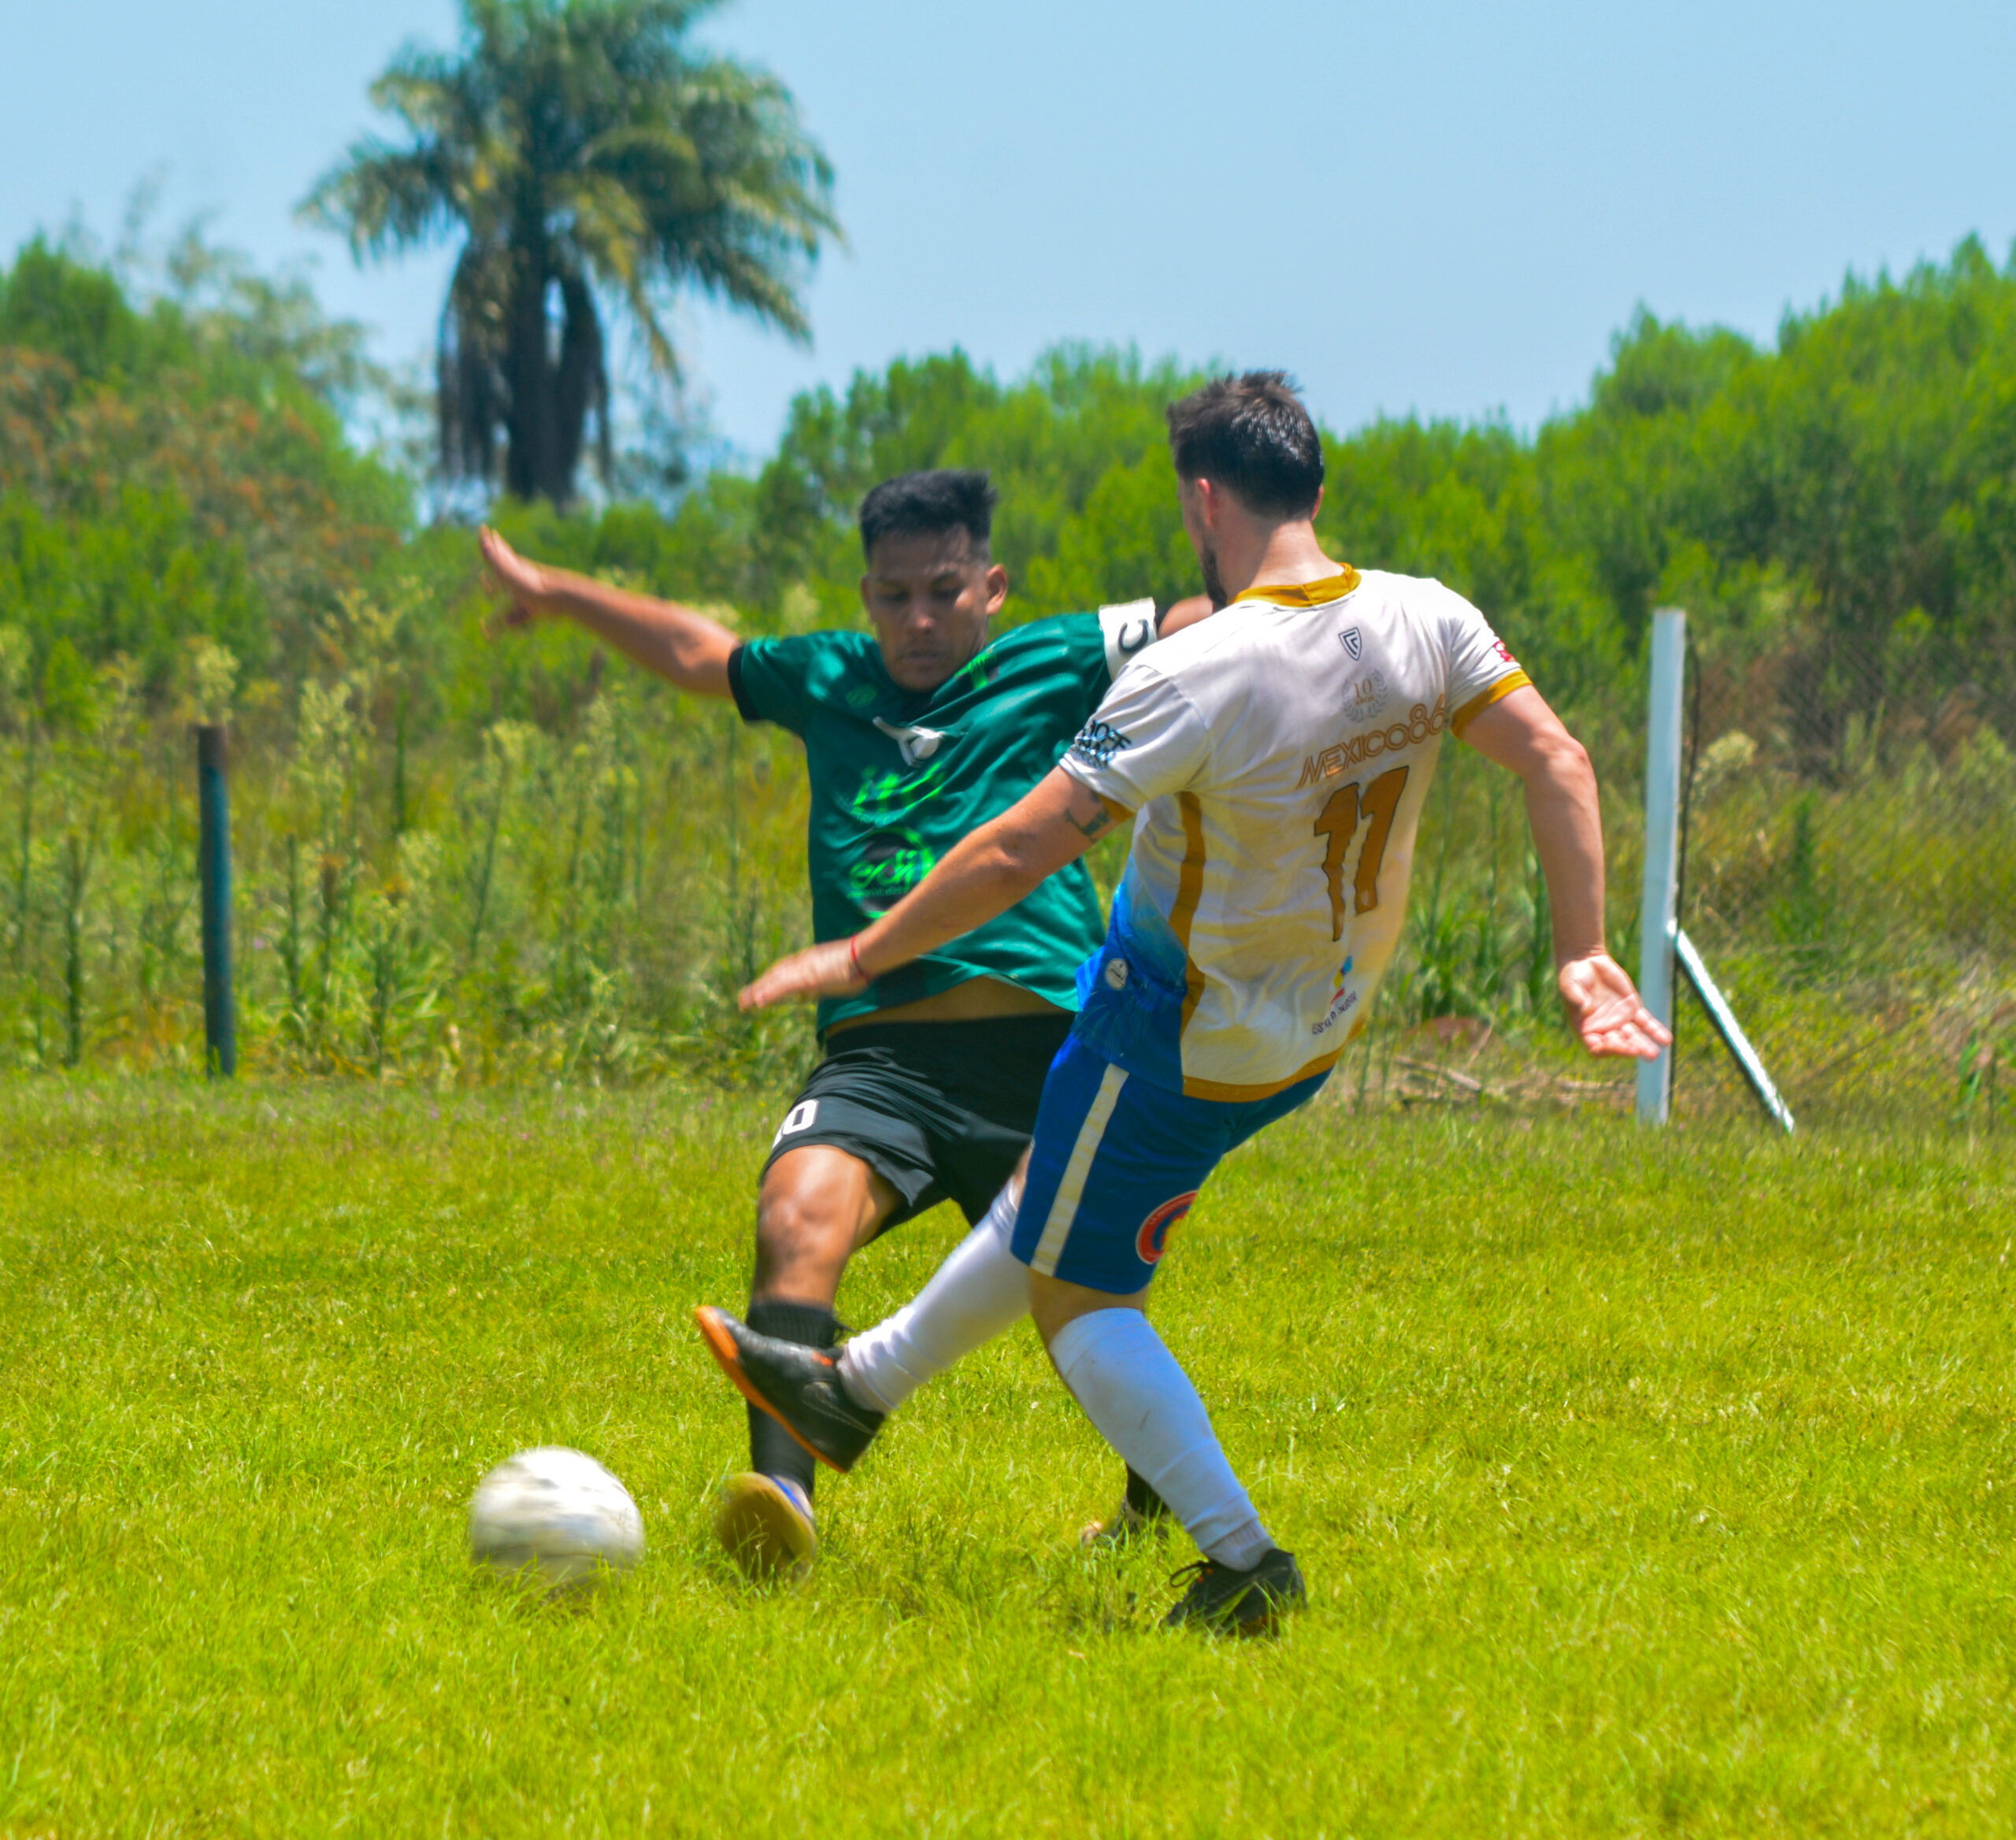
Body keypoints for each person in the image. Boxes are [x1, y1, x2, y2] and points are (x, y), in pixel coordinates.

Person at [695, 373, 1671, 1631]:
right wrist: (1582, 952)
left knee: (1081, 1301)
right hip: (1313, 1028)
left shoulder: (1196, 670)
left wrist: (864, 955)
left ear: (1204, 501)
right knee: (1052, 1199)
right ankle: (854, 1388)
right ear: (1314, 486)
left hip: (1169, 1029)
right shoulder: (1429, 616)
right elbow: (1558, 757)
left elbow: (1019, 848)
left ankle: (1243, 1561)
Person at [480, 471, 1211, 1578]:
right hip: (883, 1059)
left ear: (991, 587)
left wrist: (1293, 590)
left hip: (1044, 1055)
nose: (919, 620)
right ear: (867, 595)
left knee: (1087, 1304)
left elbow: (1202, 623)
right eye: (895, 596)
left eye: (945, 591)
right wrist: (555, 592)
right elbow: (699, 651)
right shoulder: (828, 677)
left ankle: (1160, 1510)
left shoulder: (1057, 658)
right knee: (797, 1213)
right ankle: (783, 1506)